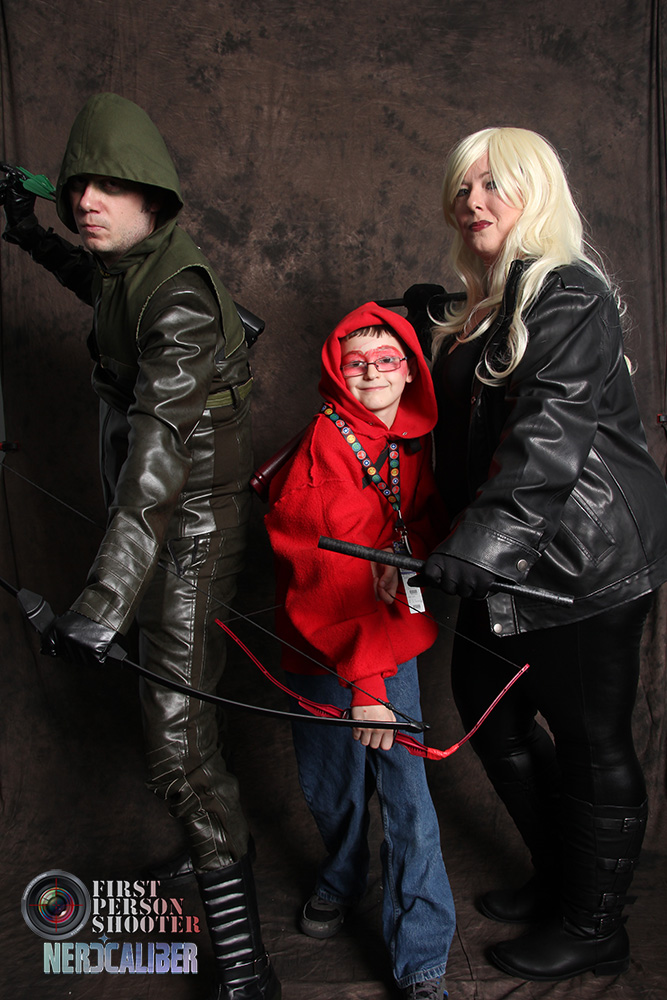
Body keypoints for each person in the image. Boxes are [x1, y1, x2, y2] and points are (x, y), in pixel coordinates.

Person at [1, 93, 279, 1000]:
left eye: (110, 187)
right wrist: (26, 233)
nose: (87, 202)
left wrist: (100, 604)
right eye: (77, 187)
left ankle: (247, 971)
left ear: (153, 197)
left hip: (189, 527)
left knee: (175, 743)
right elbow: (95, 287)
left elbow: (157, 467)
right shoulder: (128, 266)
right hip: (154, 520)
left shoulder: (180, 300)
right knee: (178, 725)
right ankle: (210, 849)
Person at [411, 126, 667, 983]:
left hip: (586, 558)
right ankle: (565, 879)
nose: (471, 200)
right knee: (492, 716)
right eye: (462, 187)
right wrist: (419, 328)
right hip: (513, 552)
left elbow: (547, 436)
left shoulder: (569, 290)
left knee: (592, 740)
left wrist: (478, 545)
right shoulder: (486, 305)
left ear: (536, 192)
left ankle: (593, 926)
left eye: (492, 184)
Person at [264, 302, 455, 1000]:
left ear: (409, 371)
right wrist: (368, 688)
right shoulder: (325, 448)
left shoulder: (410, 438)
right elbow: (324, 580)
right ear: (336, 372)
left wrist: (420, 556)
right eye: (356, 363)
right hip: (321, 642)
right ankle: (343, 878)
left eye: (386, 360)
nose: (371, 373)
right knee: (332, 787)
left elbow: (423, 514)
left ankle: (423, 961)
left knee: (408, 798)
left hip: (387, 632)